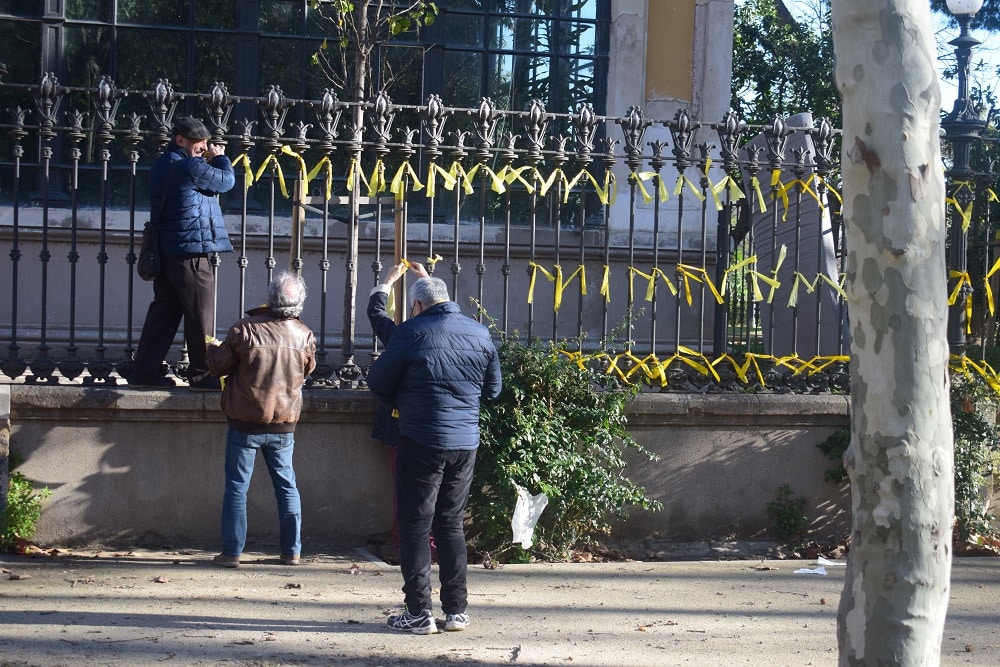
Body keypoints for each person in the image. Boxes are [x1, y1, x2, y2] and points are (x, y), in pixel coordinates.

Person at [366, 273, 502, 635]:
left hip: (422, 439)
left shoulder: (411, 332)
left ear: (417, 305)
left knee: (414, 524)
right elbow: (492, 391)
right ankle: (456, 611)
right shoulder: (479, 332)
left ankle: (418, 612)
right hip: (465, 442)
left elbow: (378, 383)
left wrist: (404, 399)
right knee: (451, 524)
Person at [205, 270, 317, 568]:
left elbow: (217, 367)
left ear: (269, 297)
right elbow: (307, 370)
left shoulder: (244, 329)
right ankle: (291, 551)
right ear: (299, 303)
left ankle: (232, 552)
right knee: (286, 486)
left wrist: (213, 348)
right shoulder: (303, 333)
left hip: (245, 420)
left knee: (237, 487)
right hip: (284, 422)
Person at [128, 116, 235, 391]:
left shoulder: (164, 164)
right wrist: (220, 158)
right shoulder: (189, 165)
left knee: (164, 312)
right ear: (180, 141)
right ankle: (203, 374)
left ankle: (145, 372)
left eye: (206, 141)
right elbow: (226, 182)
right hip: (192, 251)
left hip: (168, 250)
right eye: (199, 142)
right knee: (201, 312)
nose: (204, 146)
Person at [367, 262, 436, 561]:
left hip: (403, 422)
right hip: (442, 425)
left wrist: (387, 281)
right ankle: (430, 546)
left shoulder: (404, 336)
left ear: (416, 307)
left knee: (404, 489)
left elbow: (376, 314)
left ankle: (402, 543)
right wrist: (428, 280)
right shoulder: (452, 333)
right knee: (436, 491)